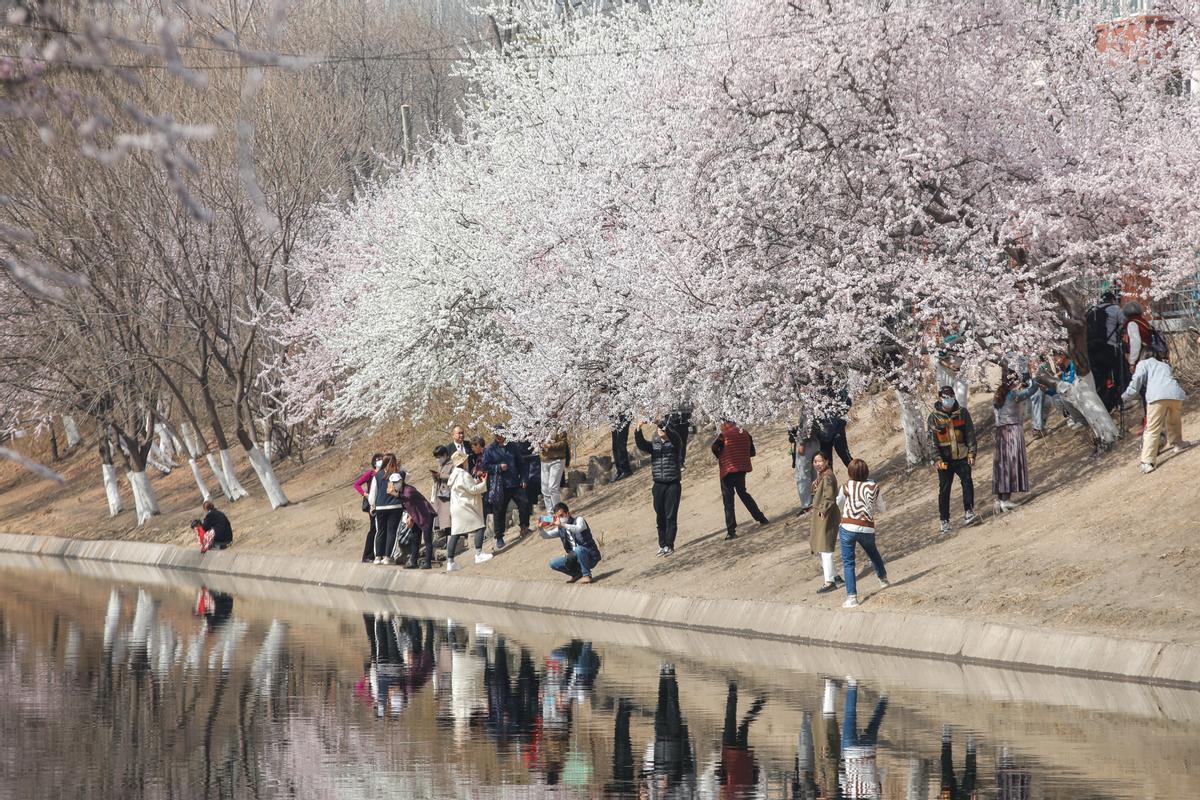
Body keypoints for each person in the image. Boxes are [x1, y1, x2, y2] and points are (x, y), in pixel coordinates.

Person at [1121, 350, 1189, 473]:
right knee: (1174, 421)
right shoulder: (1164, 365)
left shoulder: (1143, 364)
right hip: (1175, 394)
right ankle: (1178, 443)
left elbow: (1137, 381)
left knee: (1152, 429)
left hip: (1157, 397)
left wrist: (1126, 396)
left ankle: (1147, 462)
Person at [836, 458, 889, 609]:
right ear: (866, 472)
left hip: (847, 527)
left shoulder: (846, 486)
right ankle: (883, 579)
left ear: (850, 472)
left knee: (848, 563)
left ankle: (852, 597)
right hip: (867, 527)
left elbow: (839, 503)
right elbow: (882, 508)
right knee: (873, 553)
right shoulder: (874, 487)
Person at [927, 385, 979, 535]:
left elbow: (970, 434)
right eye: (945, 397)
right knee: (944, 489)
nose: (949, 400)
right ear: (940, 398)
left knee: (967, 482)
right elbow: (931, 441)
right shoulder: (933, 418)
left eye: (951, 397)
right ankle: (944, 520)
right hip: (944, 460)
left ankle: (969, 511)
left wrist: (971, 453)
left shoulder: (963, 413)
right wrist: (937, 459)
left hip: (962, 456)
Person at [711, 419, 768, 540]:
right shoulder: (745, 433)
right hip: (741, 469)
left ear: (726, 423)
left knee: (728, 500)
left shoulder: (724, 435)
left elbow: (714, 447)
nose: (720, 427)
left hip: (727, 470)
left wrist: (720, 456)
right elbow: (752, 452)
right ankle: (761, 518)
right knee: (743, 494)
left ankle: (731, 531)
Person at [634, 419, 683, 555]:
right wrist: (638, 428)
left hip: (672, 484)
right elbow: (642, 445)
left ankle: (669, 545)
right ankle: (662, 545)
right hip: (658, 485)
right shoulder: (654, 445)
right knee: (660, 516)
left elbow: (673, 436)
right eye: (659, 429)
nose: (660, 431)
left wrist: (661, 424)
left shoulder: (675, 443)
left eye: (663, 429)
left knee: (670, 516)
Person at [992, 368, 1038, 513]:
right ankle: (1006, 499)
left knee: (1001, 466)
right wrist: (1035, 378)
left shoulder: (998, 394)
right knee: (1011, 464)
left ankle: (1000, 500)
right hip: (1012, 431)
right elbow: (1031, 391)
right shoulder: (1012, 394)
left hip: (1000, 433)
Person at [481, 429, 530, 550]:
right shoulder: (490, 449)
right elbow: (485, 465)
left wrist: (524, 479)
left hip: (514, 482)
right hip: (499, 485)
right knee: (499, 511)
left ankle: (524, 526)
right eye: (497, 435)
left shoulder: (512, 446)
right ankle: (499, 537)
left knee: (524, 503)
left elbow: (521, 464)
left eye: (502, 435)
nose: (499, 437)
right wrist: (498, 467)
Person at [839, 677, 888, 798]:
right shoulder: (849, 794)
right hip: (851, 752)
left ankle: (884, 698)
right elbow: (841, 777)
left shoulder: (875, 793)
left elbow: (883, 772)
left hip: (868, 752)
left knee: (875, 722)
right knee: (850, 715)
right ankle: (852, 684)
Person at [446, 450, 491, 569]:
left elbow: (465, 487)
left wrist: (476, 482)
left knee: (455, 533)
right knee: (480, 526)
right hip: (465, 506)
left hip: (456, 507)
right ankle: (478, 554)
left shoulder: (453, 474)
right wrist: (484, 482)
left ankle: (450, 562)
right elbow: (472, 489)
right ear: (463, 461)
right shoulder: (463, 474)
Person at [539, 501, 601, 584]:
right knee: (553, 563)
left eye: (561, 515)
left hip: (590, 557)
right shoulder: (560, 528)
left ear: (568, 513)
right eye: (557, 517)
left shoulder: (579, 520)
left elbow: (578, 528)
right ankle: (577, 574)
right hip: (575, 558)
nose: (560, 519)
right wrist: (540, 528)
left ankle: (587, 575)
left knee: (578, 549)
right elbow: (546, 535)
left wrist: (563, 525)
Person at [1085, 290, 1127, 412]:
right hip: (1109, 348)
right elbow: (1125, 324)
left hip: (1092, 350)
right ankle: (1120, 400)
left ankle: (1103, 407)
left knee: (1099, 379)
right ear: (1112, 299)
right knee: (1120, 373)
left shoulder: (1091, 311)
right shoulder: (1115, 309)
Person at [390, 470, 437, 569]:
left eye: (397, 482)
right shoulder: (401, 491)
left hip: (425, 515)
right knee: (415, 538)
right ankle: (413, 561)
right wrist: (410, 517)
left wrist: (396, 494)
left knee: (427, 539)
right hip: (416, 516)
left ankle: (428, 563)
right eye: (393, 483)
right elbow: (409, 506)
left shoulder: (408, 490)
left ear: (402, 481)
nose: (395, 484)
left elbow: (408, 497)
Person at [810, 453, 843, 594]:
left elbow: (829, 497)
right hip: (821, 514)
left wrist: (823, 510)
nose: (817, 464)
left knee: (825, 548)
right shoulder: (823, 475)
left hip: (826, 515)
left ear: (827, 461)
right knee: (820, 546)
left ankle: (829, 581)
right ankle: (835, 576)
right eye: (815, 461)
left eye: (820, 461)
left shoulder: (827, 477)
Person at [368, 454, 404, 564]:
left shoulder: (377, 475)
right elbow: (399, 488)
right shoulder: (398, 474)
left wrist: (372, 505)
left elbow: (373, 492)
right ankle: (388, 557)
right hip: (395, 506)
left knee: (380, 531)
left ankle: (378, 556)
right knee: (392, 532)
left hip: (380, 507)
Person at [788, 409, 820, 515]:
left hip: (807, 445)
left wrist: (802, 443)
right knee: (813, 474)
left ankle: (807, 505)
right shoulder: (815, 404)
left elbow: (807, 425)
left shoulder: (808, 406)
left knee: (803, 476)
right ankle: (815, 500)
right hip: (815, 443)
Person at [354, 452, 383, 562]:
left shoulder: (384, 473)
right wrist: (365, 495)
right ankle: (367, 555)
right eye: (377, 459)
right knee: (373, 529)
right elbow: (357, 484)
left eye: (381, 459)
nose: (379, 461)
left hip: (381, 503)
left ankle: (378, 553)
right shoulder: (370, 473)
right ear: (374, 462)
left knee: (380, 529)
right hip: (372, 504)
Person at [540, 430, 570, 512]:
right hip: (544, 460)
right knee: (544, 489)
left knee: (552, 488)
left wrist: (549, 446)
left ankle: (559, 512)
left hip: (557, 460)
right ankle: (550, 514)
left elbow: (563, 444)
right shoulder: (540, 426)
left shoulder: (560, 427)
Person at [430, 445, 453, 544]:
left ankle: (451, 540)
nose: (438, 459)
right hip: (440, 494)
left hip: (448, 494)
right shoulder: (440, 465)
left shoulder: (452, 464)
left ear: (445, 455)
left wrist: (441, 476)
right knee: (442, 518)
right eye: (436, 457)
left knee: (448, 518)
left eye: (439, 457)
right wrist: (435, 477)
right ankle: (446, 539)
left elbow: (453, 476)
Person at [665, 404, 693, 469]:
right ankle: (677, 463)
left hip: (683, 424)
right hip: (672, 424)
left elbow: (690, 408)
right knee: (677, 443)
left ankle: (680, 463)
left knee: (682, 444)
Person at [611, 413, 632, 481]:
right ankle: (619, 471)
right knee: (615, 445)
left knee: (620, 442)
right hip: (613, 415)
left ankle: (626, 470)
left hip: (624, 414)